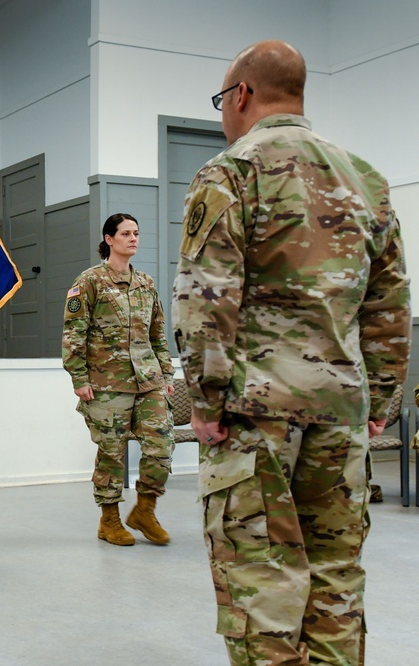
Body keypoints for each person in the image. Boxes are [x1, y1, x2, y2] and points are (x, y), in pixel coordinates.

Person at [172, 40, 410, 665]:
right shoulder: (368, 180)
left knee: (263, 589)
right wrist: (381, 396)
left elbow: (205, 300)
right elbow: (389, 306)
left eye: (223, 100)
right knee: (335, 584)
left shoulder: (230, 172)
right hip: (340, 413)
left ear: (241, 95)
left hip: (256, 417)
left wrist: (205, 401)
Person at [62, 212, 176, 547]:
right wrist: (79, 377)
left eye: (136, 233)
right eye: (125, 233)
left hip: (148, 379)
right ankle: (109, 520)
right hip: (106, 383)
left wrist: (166, 373)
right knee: (112, 451)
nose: (133, 238)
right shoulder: (90, 281)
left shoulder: (147, 283)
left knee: (161, 445)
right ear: (109, 239)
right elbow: (73, 333)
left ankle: (145, 508)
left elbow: (158, 334)